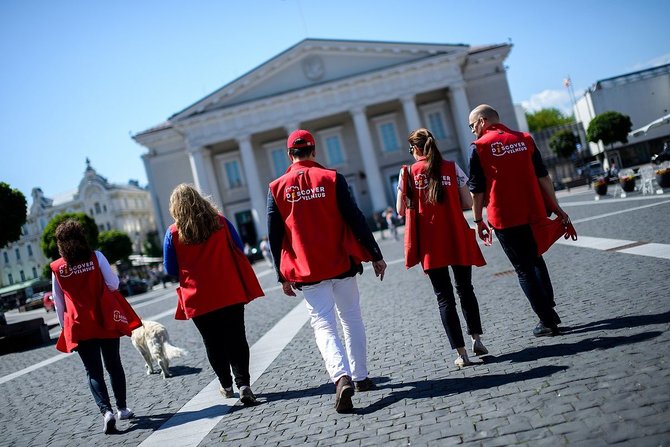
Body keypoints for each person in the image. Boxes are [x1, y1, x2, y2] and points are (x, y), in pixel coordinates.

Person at [267, 129, 387, 413]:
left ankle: (340, 376)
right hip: (341, 261)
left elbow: (273, 236)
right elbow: (355, 218)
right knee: (351, 317)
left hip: (307, 268)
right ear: (314, 151)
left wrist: (281, 275)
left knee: (323, 324)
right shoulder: (332, 178)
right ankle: (360, 377)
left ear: (289, 155)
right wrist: (375, 254)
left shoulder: (276, 187)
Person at [467, 104, 570, 337]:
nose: (472, 131)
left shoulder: (480, 147)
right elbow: (544, 176)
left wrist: (477, 220)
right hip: (533, 211)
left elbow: (476, 191)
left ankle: (546, 320)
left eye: (473, 125)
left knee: (523, 269)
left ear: (483, 122)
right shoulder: (525, 139)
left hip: (504, 217)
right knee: (536, 260)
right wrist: (556, 207)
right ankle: (549, 311)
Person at [164, 184, 264, 405]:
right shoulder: (220, 222)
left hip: (198, 297)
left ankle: (226, 385)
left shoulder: (172, 233)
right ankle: (244, 384)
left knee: (213, 343)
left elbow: (170, 268)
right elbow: (238, 246)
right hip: (229, 289)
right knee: (237, 338)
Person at [397, 128, 488, 367]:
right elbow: (468, 202)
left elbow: (400, 210)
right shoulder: (451, 166)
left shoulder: (407, 172)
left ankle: (461, 355)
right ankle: (476, 340)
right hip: (456, 236)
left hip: (430, 244)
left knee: (444, 298)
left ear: (415, 149)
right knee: (465, 290)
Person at [51, 219, 136, 434]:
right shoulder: (96, 257)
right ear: (82, 237)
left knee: (93, 372)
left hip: (80, 325)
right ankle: (122, 409)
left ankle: (106, 412)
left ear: (60, 244)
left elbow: (58, 302)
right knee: (114, 365)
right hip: (105, 319)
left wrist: (64, 327)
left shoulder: (57, 268)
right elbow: (113, 284)